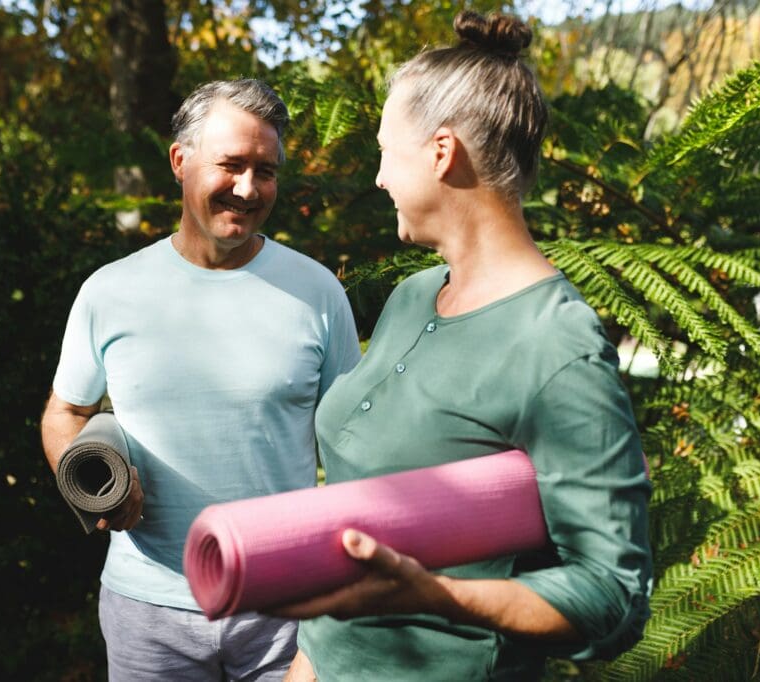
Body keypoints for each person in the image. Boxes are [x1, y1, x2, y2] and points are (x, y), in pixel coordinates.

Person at [273, 10, 653, 681]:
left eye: (386, 151)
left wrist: (440, 597)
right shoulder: (412, 297)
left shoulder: (555, 346)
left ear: (442, 153)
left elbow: (614, 595)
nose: (379, 177)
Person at [40, 79, 362, 681]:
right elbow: (65, 413)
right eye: (231, 165)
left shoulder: (318, 291)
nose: (248, 188)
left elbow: (356, 447)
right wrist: (87, 479)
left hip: (284, 611)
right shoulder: (109, 292)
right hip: (147, 611)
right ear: (179, 161)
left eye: (265, 170)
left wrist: (337, 600)